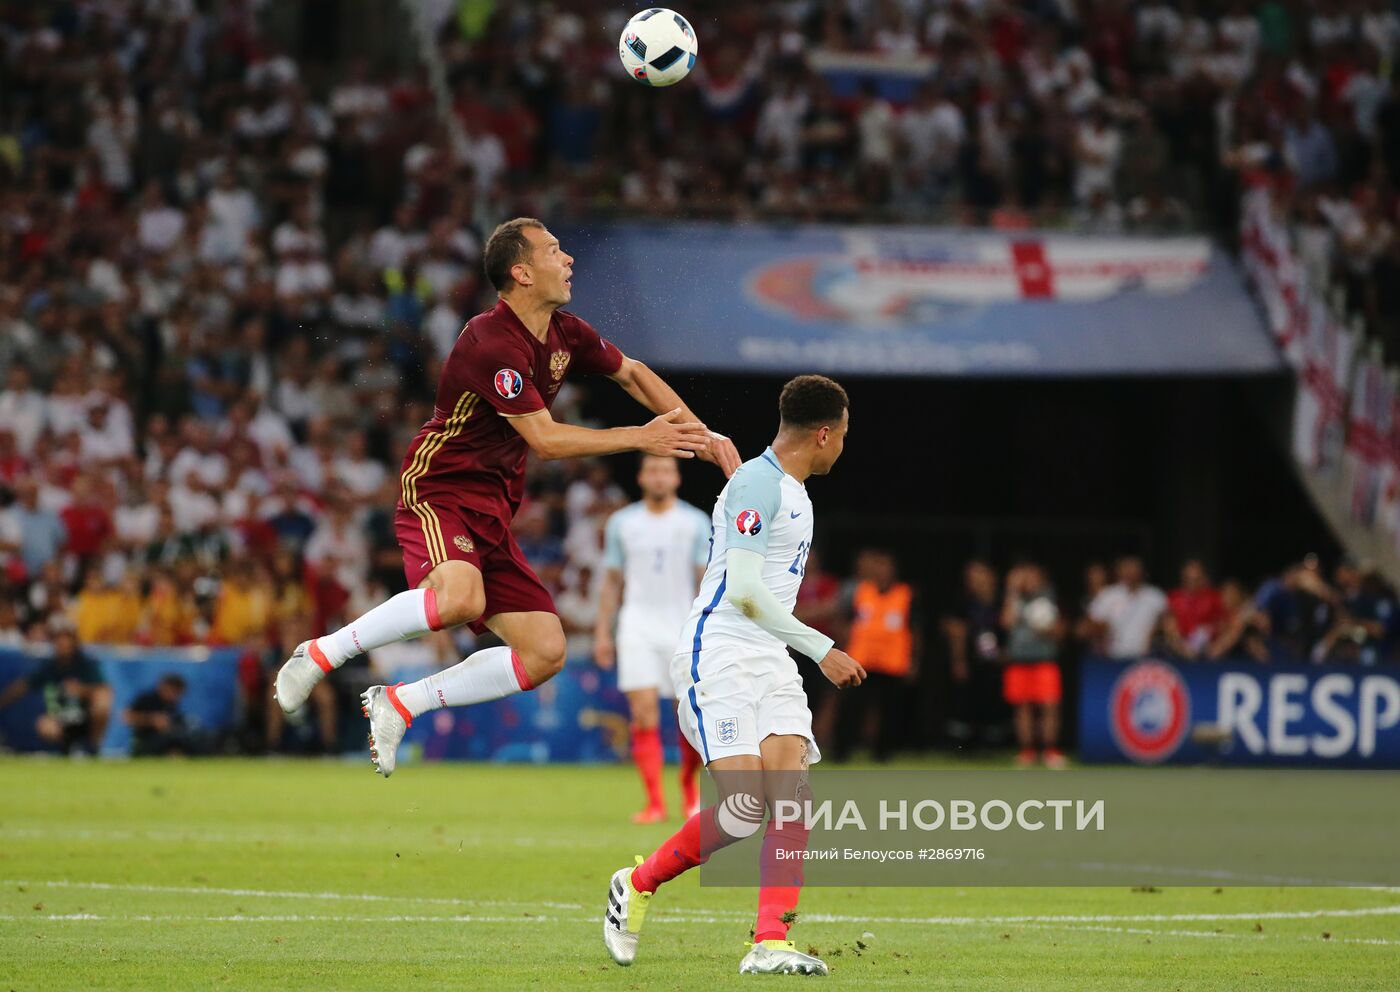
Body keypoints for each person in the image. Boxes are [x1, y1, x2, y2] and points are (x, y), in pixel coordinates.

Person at [273, 218, 741, 775]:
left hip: (492, 507)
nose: (568, 259)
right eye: (554, 251)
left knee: (545, 651)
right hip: (439, 487)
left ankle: (401, 702)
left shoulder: (565, 332)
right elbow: (543, 439)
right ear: (522, 273)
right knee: (460, 598)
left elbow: (635, 376)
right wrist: (642, 437)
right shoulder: (490, 342)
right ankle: (322, 653)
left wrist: (703, 435)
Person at [602, 374, 865, 978]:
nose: (843, 447)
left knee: (792, 800)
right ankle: (636, 884)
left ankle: (769, 941)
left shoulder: (777, 486)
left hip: (769, 658)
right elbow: (743, 591)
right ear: (823, 434)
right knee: (744, 810)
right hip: (718, 651)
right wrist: (821, 648)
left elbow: (750, 524)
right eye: (844, 435)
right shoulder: (758, 481)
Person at [594, 455, 711, 823]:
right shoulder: (622, 523)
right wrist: (602, 632)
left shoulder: (695, 521)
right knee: (643, 713)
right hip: (637, 625)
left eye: (666, 470)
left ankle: (690, 791)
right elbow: (612, 581)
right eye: (652, 470)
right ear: (642, 477)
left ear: (676, 478)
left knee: (687, 715)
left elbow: (705, 581)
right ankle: (654, 803)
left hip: (682, 626)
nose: (659, 477)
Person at [832, 549, 918, 762]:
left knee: (890, 712)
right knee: (851, 709)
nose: (881, 572)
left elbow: (916, 630)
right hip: (861, 661)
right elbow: (844, 621)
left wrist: (914, 660)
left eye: (885, 567)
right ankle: (841, 752)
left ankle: (883, 754)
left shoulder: (905, 594)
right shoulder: (860, 592)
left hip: (892, 663)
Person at [0, 626, 112, 755]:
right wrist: (3, 701)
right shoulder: (50, 667)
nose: (63, 648)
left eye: (66, 645)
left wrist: (82, 690)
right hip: (61, 717)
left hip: (85, 717)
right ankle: (67, 748)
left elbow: (104, 690)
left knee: (103, 701)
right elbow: (24, 686)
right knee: (44, 725)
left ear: (74, 645)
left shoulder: (86, 665)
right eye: (60, 645)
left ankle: (94, 748)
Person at [1000, 562, 1066, 768]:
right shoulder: (1014, 599)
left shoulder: (1049, 598)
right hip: (1019, 661)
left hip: (1044, 661)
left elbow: (1060, 631)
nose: (1026, 581)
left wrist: (1048, 629)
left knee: (1049, 706)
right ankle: (1027, 752)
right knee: (1023, 708)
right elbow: (1006, 622)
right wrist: (1011, 591)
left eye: (1031, 576)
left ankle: (1050, 751)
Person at [1085, 556, 1168, 658]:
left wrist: (1156, 630)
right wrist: (1101, 630)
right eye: (1126, 568)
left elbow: (1168, 623)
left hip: (1146, 659)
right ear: (1119, 571)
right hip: (1113, 658)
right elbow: (1091, 624)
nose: (1130, 572)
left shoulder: (1155, 596)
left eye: (1134, 568)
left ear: (1142, 571)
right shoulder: (1107, 595)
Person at [124, 674, 193, 756]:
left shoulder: (172, 705)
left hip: (167, 740)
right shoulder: (147, 699)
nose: (175, 696)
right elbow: (127, 717)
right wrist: (152, 720)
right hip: (146, 740)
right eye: (173, 691)